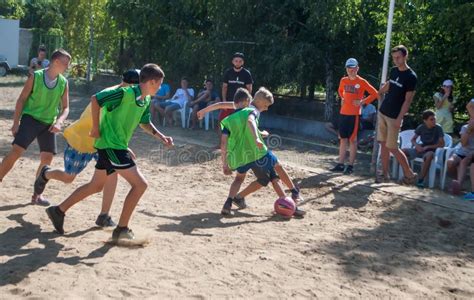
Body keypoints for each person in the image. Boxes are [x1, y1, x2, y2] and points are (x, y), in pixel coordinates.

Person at [45, 63, 174, 242]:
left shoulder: (145, 100)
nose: (160, 87)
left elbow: (145, 122)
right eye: (159, 84)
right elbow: (96, 99)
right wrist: (96, 129)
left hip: (116, 146)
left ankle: (58, 211)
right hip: (111, 146)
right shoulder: (124, 93)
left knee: (96, 186)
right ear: (152, 82)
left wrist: (161, 136)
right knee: (140, 185)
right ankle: (122, 229)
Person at [33, 69, 140, 227]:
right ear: (132, 85)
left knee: (111, 174)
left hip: (102, 144)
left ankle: (104, 215)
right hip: (83, 140)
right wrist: (122, 148)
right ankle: (46, 173)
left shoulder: (124, 95)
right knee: (69, 177)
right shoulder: (114, 96)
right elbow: (105, 124)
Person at [201, 88, 305, 217]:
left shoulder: (236, 111)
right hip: (256, 152)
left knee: (251, 178)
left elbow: (221, 106)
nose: (266, 109)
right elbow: (250, 122)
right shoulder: (251, 110)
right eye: (266, 105)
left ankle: (233, 199)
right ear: (258, 101)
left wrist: (203, 111)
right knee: (276, 170)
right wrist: (257, 137)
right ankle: (292, 195)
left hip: (240, 155)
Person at [0, 49, 71, 205]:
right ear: (56, 62)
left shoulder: (63, 82)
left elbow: (66, 108)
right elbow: (21, 99)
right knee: (17, 151)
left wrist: (59, 122)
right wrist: (15, 123)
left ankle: (37, 195)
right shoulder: (36, 76)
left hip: (49, 123)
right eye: (66, 63)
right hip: (31, 118)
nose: (68, 66)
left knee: (47, 158)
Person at [377, 45, 418, 184]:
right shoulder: (394, 71)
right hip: (383, 112)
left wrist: (399, 119)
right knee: (383, 144)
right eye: (394, 58)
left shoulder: (411, 77)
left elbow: (408, 101)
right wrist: (381, 90)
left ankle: (409, 174)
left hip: (394, 116)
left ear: (405, 56)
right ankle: (385, 174)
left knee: (393, 148)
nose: (396, 60)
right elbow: (391, 83)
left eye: (398, 57)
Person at [330, 58, 378, 175]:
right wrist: (342, 97)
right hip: (343, 113)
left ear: (357, 68)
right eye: (348, 68)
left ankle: (350, 165)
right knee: (342, 139)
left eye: (353, 68)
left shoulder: (361, 81)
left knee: (353, 140)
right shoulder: (343, 80)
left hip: (354, 115)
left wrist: (362, 102)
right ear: (346, 69)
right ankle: (340, 164)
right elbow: (340, 90)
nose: (351, 70)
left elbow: (375, 93)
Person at [217, 52, 253, 146]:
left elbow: (249, 89)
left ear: (243, 62)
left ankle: (237, 145)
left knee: (238, 125)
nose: (238, 62)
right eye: (236, 61)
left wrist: (247, 103)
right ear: (232, 61)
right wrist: (224, 101)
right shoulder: (228, 72)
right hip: (228, 102)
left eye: (240, 61)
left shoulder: (246, 73)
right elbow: (224, 87)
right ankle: (221, 144)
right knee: (221, 122)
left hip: (241, 104)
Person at [401, 110, 444, 188]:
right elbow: (413, 140)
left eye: (434, 119)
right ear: (425, 121)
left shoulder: (438, 128)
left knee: (429, 155)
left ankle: (420, 180)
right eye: (431, 119)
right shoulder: (421, 127)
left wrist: (428, 147)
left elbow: (442, 144)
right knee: (402, 151)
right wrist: (417, 146)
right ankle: (409, 175)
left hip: (431, 151)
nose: (434, 121)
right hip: (421, 148)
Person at [448, 99, 474, 195]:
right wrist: (469, 130)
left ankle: (458, 185)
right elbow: (463, 144)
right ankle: (458, 183)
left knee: (463, 162)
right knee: (450, 162)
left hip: (471, 153)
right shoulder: (465, 128)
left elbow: (469, 106)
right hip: (462, 151)